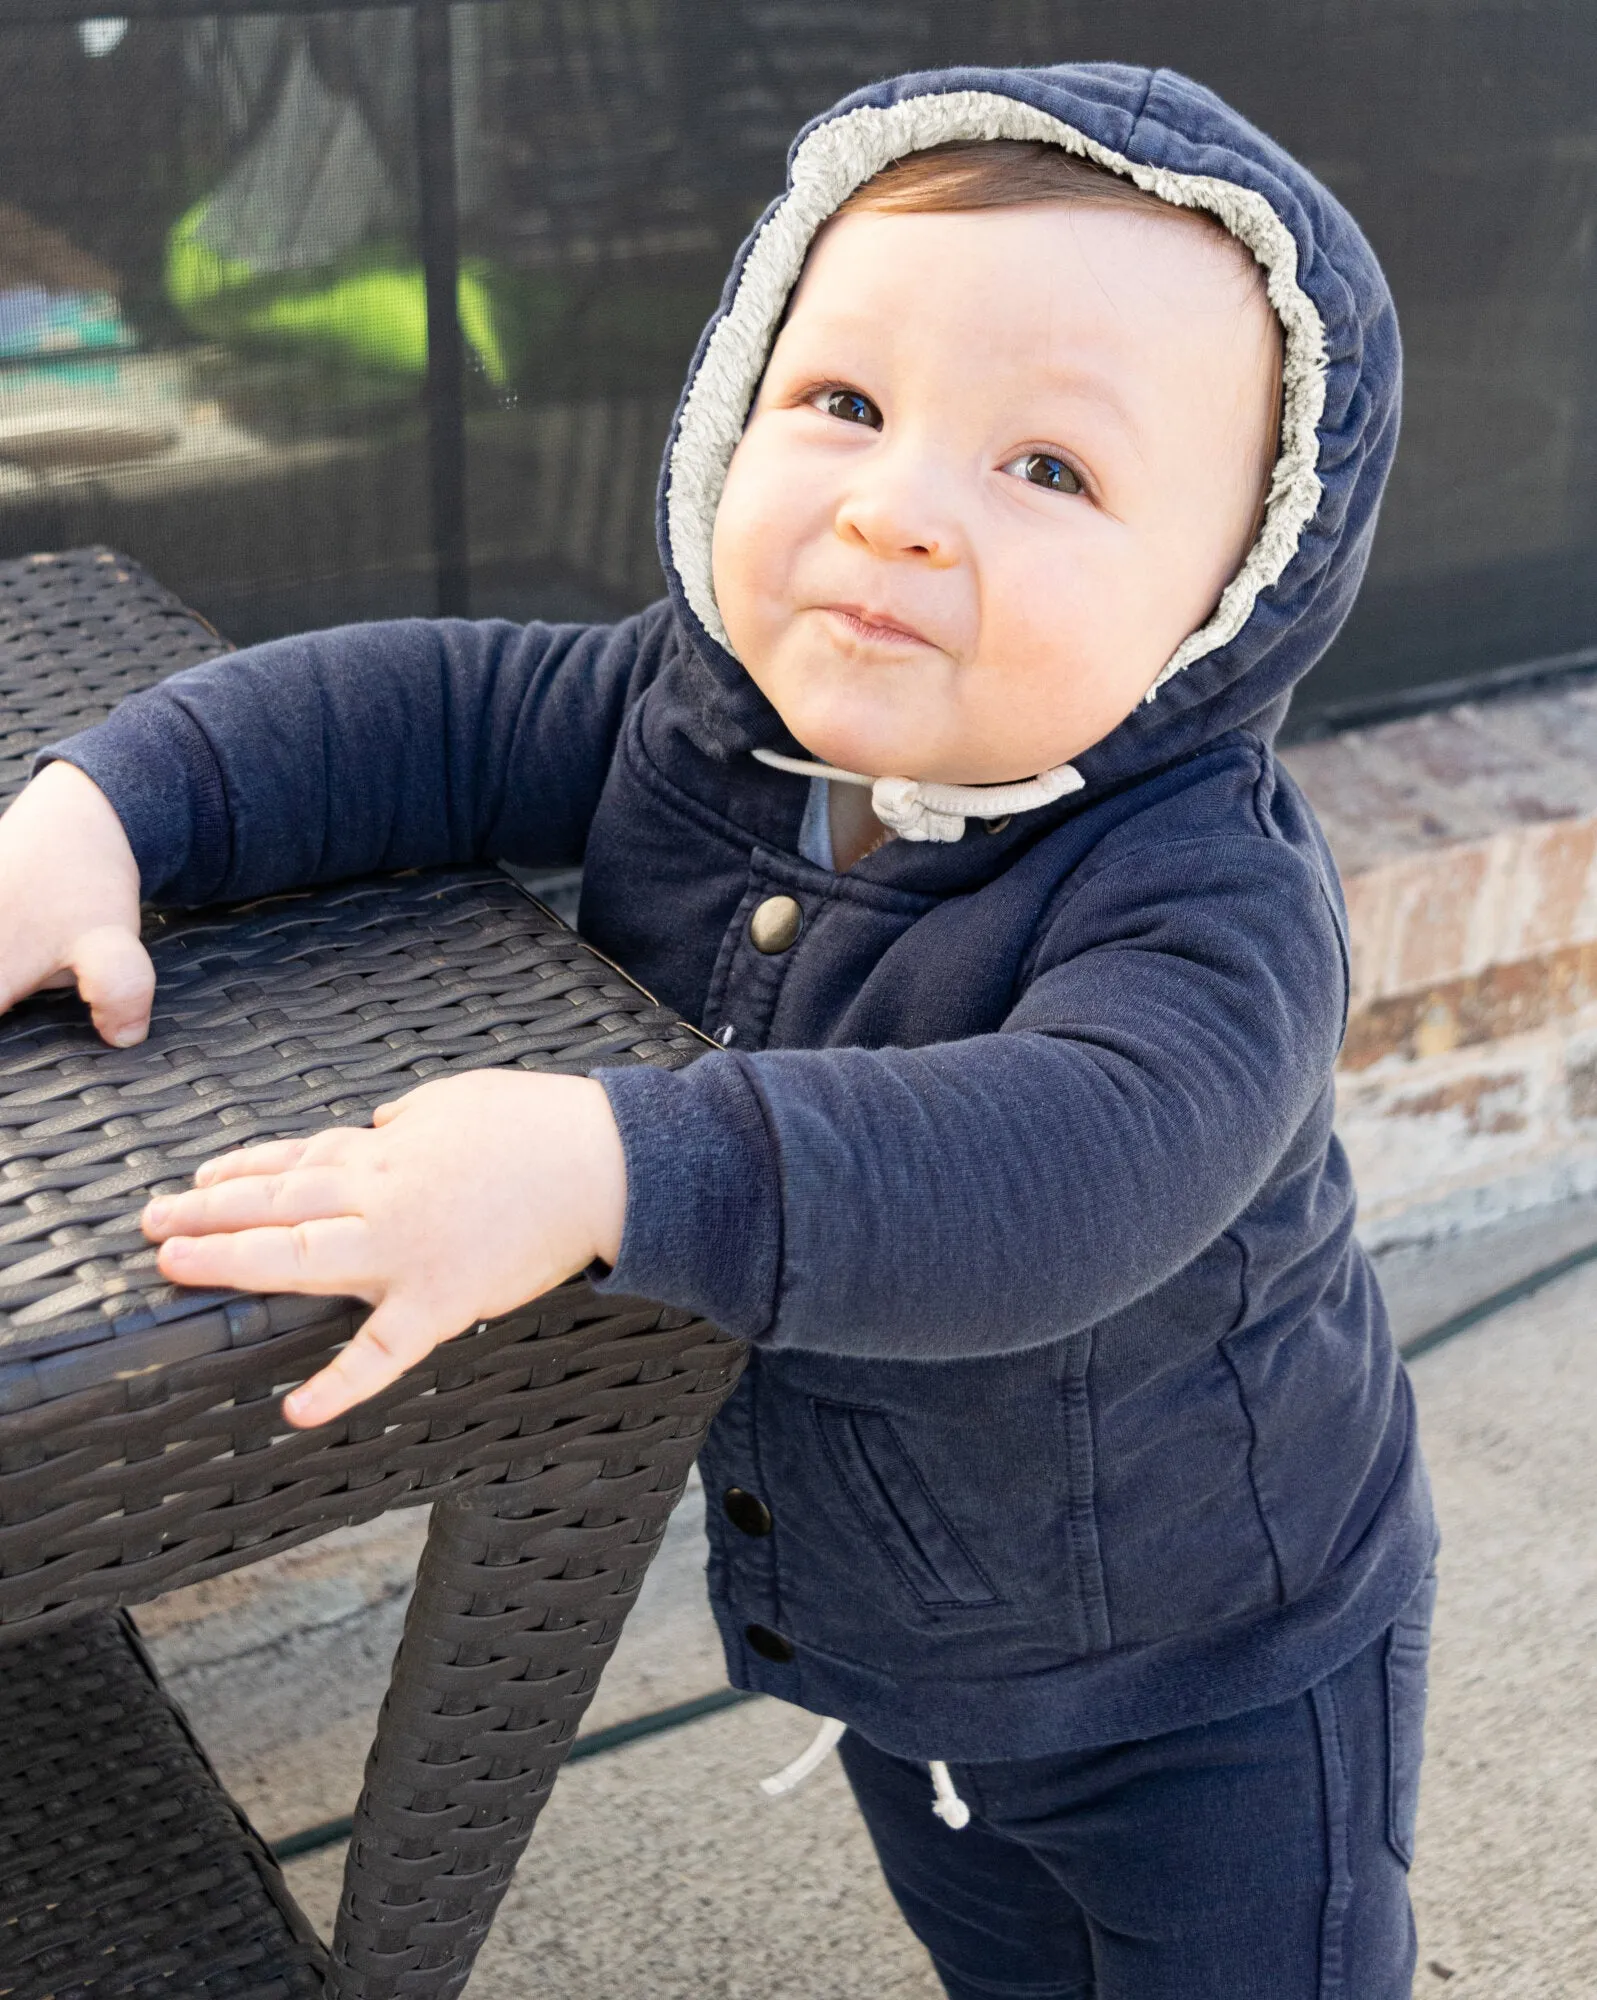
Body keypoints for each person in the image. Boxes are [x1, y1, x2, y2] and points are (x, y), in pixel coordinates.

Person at [0, 63, 1435, 2000]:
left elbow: (1070, 1175)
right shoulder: (697, 715)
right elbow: (404, 715)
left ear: (1237, 589)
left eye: (1052, 469)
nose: (895, 508)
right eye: (844, 402)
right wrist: (104, 812)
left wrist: (607, 1160)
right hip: (889, 1622)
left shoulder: (1201, 894)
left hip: (1210, 1657)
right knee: (1000, 1945)